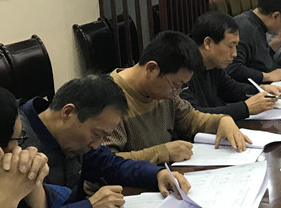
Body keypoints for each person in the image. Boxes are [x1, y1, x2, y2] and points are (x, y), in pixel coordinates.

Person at [19, 75, 187, 208]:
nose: (96, 145)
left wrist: (157, 174)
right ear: (68, 113)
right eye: (97, 134)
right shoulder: (18, 143)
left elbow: (110, 164)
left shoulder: (74, 139)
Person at [106, 30, 249, 164]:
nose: (176, 92)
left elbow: (189, 118)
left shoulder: (164, 92)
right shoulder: (109, 99)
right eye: (175, 85)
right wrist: (163, 153)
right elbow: (106, 161)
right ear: (151, 69)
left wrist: (221, 121)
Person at [181, 12, 279, 122]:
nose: (235, 54)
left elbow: (230, 89)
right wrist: (245, 108)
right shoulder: (181, 68)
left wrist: (260, 90)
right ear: (208, 43)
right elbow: (192, 116)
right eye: (230, 46)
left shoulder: (213, 64)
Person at [226, 0, 281, 85]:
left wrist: (279, 40)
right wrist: (267, 76)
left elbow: (260, 58)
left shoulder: (256, 24)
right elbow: (232, 68)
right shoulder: (244, 28)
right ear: (276, 16)